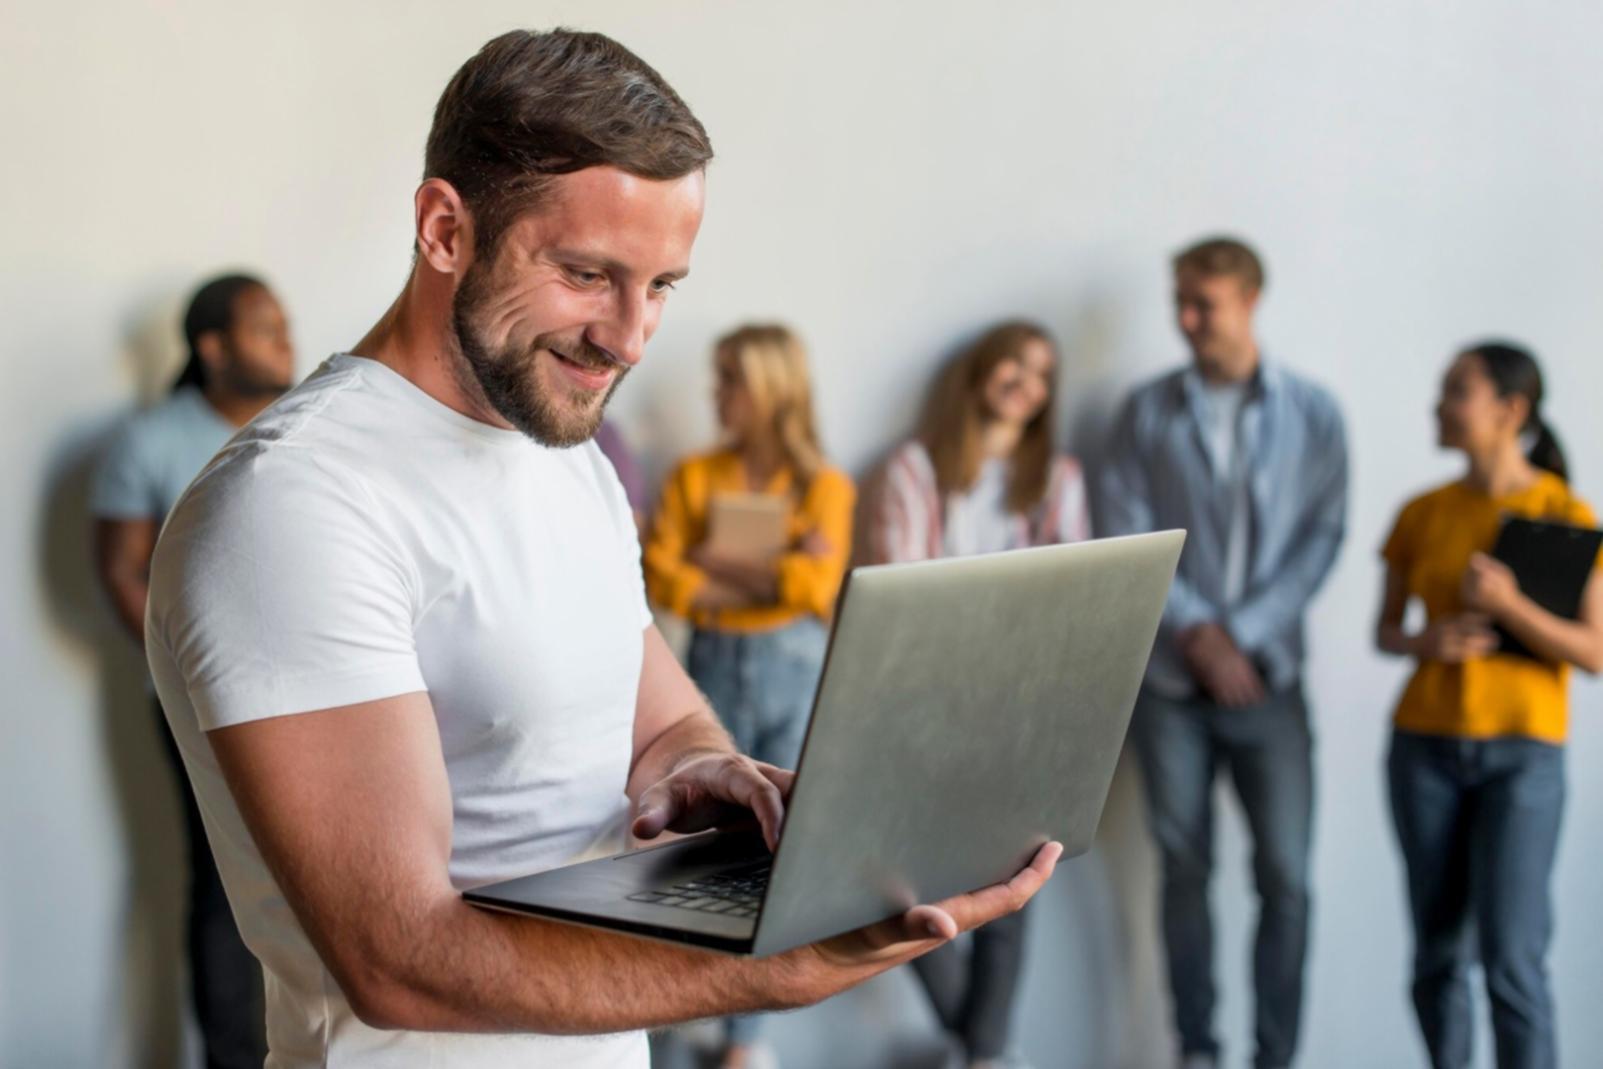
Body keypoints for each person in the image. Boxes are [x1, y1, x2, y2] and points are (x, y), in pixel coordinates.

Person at [142, 29, 1060, 1068]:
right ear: (446, 229)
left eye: (661, 284)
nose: (629, 337)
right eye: (588, 273)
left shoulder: (559, 450)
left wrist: (702, 765)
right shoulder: (294, 502)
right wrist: (776, 969)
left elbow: (656, 714)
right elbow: (396, 958)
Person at [1098, 238, 1347, 1069]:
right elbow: (1127, 527)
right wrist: (1199, 632)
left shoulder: (1312, 413)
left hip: (1270, 685)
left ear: (1250, 298)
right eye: (1180, 300)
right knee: (1184, 868)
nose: (1187, 318)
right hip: (1172, 684)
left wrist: (1240, 635)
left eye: (1203, 301)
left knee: (1287, 877)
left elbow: (1322, 535)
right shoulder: (1145, 413)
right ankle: (1196, 1050)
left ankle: (1275, 1054)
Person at [870, 320, 1092, 1069]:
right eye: (1014, 364)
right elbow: (902, 595)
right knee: (902, 881)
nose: (1024, 382)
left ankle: (983, 1053)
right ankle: (981, 1045)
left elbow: (1073, 596)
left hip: (1018, 712)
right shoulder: (912, 467)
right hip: (925, 708)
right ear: (982, 370)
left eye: (1041, 374)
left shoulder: (1058, 479)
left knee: (1014, 876)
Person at [1376, 342, 1602, 1069]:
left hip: (1523, 753)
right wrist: (1427, 641)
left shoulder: (1563, 513)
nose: (1438, 405)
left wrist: (1509, 604)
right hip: (1423, 747)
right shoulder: (1421, 513)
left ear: (1510, 410)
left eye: (1455, 392)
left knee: (1512, 957)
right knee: (1437, 954)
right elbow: (1384, 631)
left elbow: (1594, 651)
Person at [91, 271, 294, 1068]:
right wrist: (195, 674)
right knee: (226, 887)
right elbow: (119, 572)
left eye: (284, 323)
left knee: (318, 884)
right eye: (262, 326)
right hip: (200, 708)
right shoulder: (149, 442)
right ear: (212, 348)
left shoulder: (306, 426)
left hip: (316, 701)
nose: (284, 338)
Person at [643, 323, 854, 1069]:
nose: (716, 394)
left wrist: (717, 564)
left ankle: (744, 1043)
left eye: (728, 379)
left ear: (767, 390)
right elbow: (664, 574)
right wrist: (772, 569)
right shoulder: (696, 476)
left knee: (782, 843)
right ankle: (670, 1018)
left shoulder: (824, 485)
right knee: (696, 844)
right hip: (712, 664)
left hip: (797, 668)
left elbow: (814, 588)